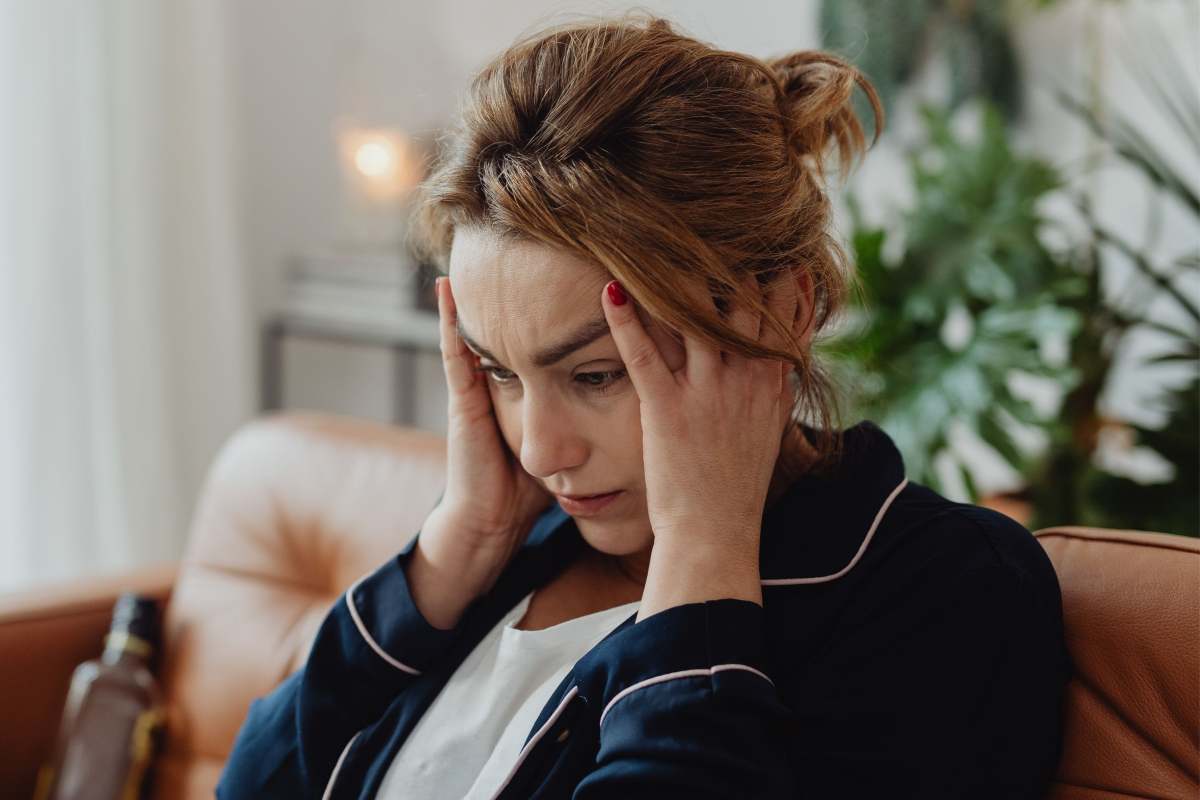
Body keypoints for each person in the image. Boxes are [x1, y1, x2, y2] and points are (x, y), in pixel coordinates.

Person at [217, 12, 1070, 799]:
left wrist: (705, 552)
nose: (541, 450)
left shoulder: (939, 592)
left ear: (785, 312)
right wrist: (454, 549)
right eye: (500, 372)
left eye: (594, 375)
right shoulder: (514, 552)